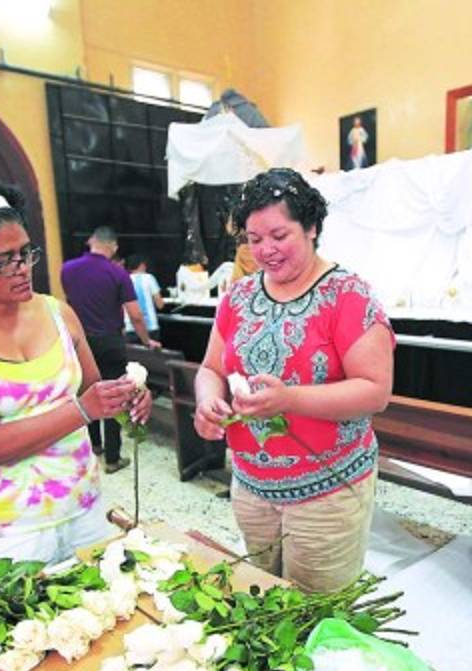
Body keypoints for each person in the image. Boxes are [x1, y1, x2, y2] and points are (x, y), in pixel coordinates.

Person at [0, 182, 152, 586]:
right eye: (4, 260)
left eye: (26, 253)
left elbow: (94, 388)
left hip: (81, 511)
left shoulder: (58, 313)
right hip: (2, 533)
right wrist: (82, 411)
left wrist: (128, 398)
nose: (22, 267)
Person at [192, 168, 395, 593]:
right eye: (253, 238)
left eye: (279, 235)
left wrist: (290, 400)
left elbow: (375, 390)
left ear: (312, 227)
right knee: (262, 592)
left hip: (327, 489)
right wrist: (207, 401)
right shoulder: (240, 296)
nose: (265, 249)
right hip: (251, 484)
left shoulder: (347, 294)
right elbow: (211, 368)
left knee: (316, 609)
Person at [61, 227, 160, 474]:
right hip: (111, 342)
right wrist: (147, 341)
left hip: (81, 342)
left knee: (88, 392)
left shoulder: (68, 270)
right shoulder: (117, 272)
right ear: (113, 247)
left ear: (90, 242)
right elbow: (135, 314)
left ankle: (94, 446)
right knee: (115, 397)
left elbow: (70, 306)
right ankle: (113, 458)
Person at [123, 253, 164, 344]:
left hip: (130, 328)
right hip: (150, 327)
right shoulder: (149, 278)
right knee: (152, 357)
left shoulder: (124, 279)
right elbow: (160, 304)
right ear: (142, 265)